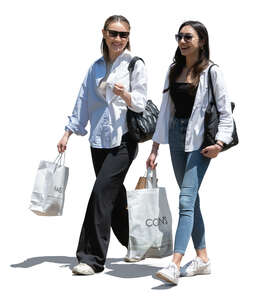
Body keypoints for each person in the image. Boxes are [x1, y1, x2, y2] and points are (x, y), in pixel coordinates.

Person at [57, 15, 147, 275]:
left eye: (124, 35)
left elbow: (140, 102)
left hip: (123, 141)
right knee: (115, 198)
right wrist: (68, 133)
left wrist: (125, 94)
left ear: (129, 37)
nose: (118, 39)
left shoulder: (134, 65)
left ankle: (91, 258)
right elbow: (83, 100)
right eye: (113, 33)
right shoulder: (95, 67)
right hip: (98, 141)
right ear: (104, 34)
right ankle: (137, 243)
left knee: (100, 195)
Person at [146, 20, 234, 285]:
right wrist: (154, 148)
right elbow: (165, 110)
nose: (182, 41)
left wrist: (220, 144)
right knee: (191, 200)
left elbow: (224, 110)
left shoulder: (212, 72)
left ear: (202, 41)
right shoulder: (174, 70)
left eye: (188, 37)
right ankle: (203, 258)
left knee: (185, 200)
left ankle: (175, 264)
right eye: (179, 37)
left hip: (200, 142)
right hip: (175, 136)